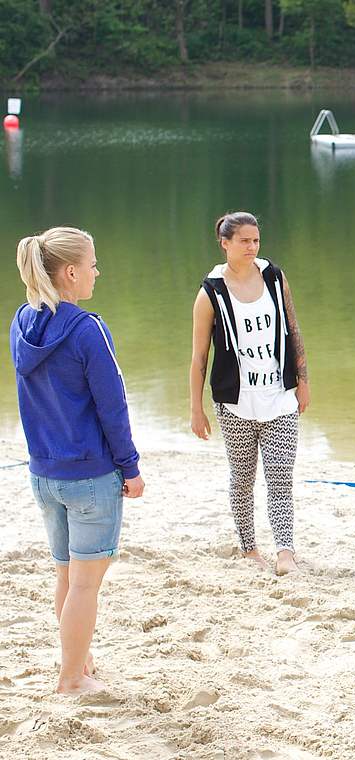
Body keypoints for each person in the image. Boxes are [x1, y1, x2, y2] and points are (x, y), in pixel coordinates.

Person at [12, 226, 146, 694]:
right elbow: (113, 407)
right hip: (90, 476)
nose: (96, 272)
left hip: (43, 474)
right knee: (86, 584)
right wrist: (130, 467)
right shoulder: (88, 330)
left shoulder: (20, 323)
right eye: (92, 264)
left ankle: (79, 660)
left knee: (67, 575)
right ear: (70, 272)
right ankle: (71, 678)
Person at [189, 212, 309, 576]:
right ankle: (249, 547)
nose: (252, 247)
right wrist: (196, 409)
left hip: (279, 395)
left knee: (280, 475)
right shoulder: (210, 292)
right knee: (242, 479)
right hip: (234, 403)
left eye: (255, 240)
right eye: (244, 241)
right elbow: (199, 356)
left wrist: (303, 380)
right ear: (225, 243)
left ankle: (285, 551)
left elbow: (292, 328)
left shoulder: (274, 277)